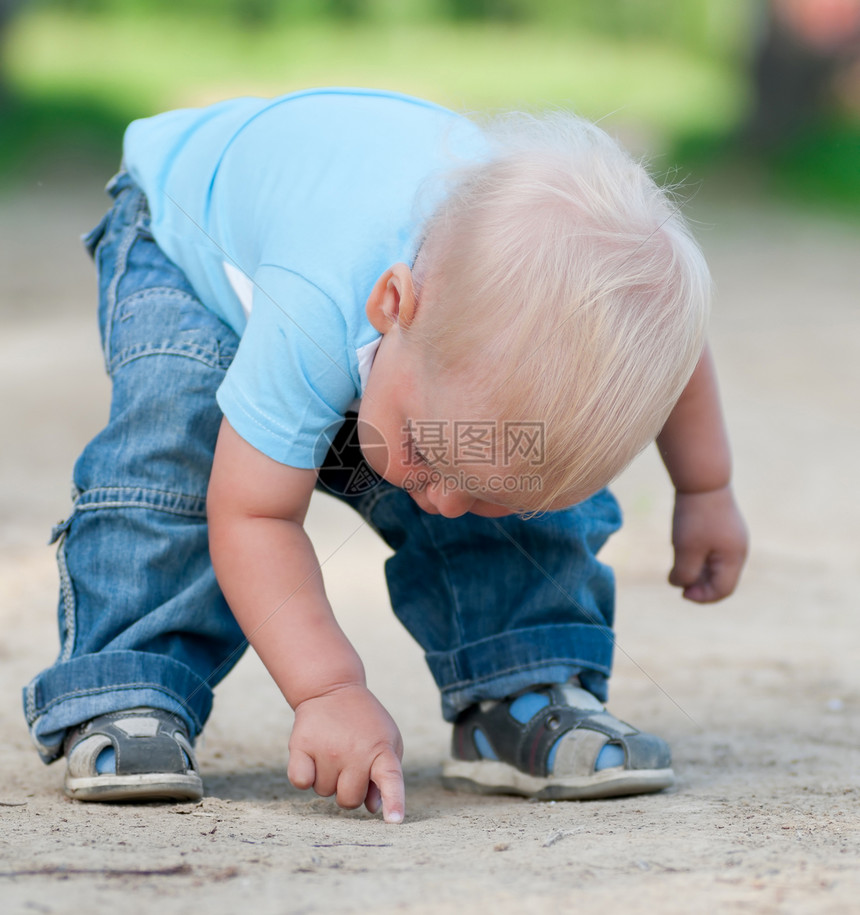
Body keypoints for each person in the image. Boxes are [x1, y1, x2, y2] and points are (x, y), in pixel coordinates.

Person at [23, 87, 747, 823]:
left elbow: (673, 351)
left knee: (510, 465)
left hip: (380, 285)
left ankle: (522, 681)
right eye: (432, 457)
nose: (442, 502)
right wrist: (329, 690)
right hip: (188, 242)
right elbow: (252, 515)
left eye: (486, 493)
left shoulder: (554, 307)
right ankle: (129, 683)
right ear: (393, 306)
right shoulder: (317, 305)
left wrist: (705, 486)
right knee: (178, 445)